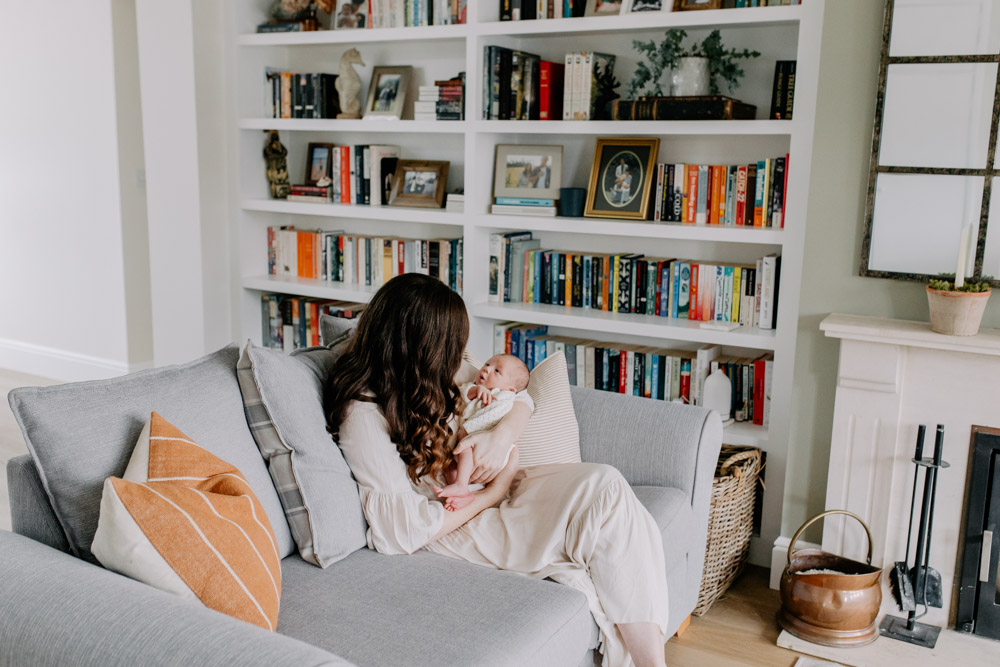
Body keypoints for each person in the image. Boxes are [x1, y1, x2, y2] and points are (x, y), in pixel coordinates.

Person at [326, 274, 669, 667]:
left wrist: (502, 437)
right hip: (453, 522)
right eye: (451, 346)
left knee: (605, 483)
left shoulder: (431, 375)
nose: (460, 357)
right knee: (601, 527)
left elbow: (519, 394)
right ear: (421, 346)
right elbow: (399, 531)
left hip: (488, 492)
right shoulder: (363, 416)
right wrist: (491, 492)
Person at [434, 354, 532, 512]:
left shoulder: (506, 396)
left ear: (511, 388)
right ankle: (463, 493)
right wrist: (477, 389)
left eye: (497, 371)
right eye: (487, 364)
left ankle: (461, 485)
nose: (487, 369)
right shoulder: (473, 387)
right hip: (476, 449)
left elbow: (519, 404)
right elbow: (462, 394)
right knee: (450, 468)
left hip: (486, 440)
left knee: (465, 446)